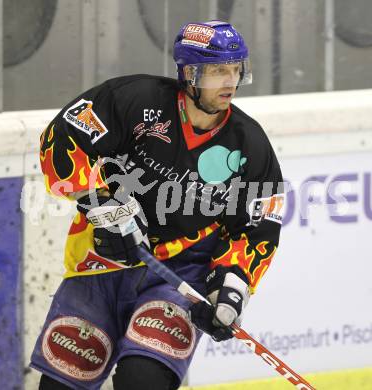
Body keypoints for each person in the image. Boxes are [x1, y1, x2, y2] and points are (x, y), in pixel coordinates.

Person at [31, 20, 284, 390]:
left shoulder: (250, 145)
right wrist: (101, 203)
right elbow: (63, 138)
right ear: (189, 74)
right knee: (61, 385)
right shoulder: (135, 100)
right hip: (101, 265)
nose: (230, 81)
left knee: (143, 380)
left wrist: (231, 287)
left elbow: (256, 229)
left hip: (181, 276)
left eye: (235, 70)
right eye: (217, 71)